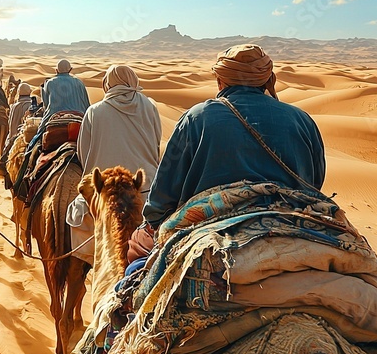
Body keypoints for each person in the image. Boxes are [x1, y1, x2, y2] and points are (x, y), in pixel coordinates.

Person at [131, 44, 324, 260]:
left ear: (220, 80)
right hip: (295, 226)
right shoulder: (302, 120)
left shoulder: (196, 119)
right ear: (266, 78)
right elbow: (315, 183)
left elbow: (163, 194)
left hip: (211, 234)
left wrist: (153, 221)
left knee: (133, 259)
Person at [76, 65, 162, 199]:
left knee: (73, 217)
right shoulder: (149, 106)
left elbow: (83, 152)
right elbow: (156, 141)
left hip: (105, 190)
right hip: (148, 186)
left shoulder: (94, 111)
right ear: (133, 79)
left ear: (107, 83)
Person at [16, 59, 90, 190]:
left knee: (32, 146)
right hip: (79, 124)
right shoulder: (79, 83)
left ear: (56, 71)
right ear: (70, 70)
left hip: (54, 121)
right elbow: (86, 105)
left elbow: (46, 106)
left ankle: (22, 182)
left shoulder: (49, 83)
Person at [0, 82, 33, 172]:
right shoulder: (32, 106)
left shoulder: (13, 106)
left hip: (13, 136)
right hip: (26, 137)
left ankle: (2, 164)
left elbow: (10, 122)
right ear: (29, 92)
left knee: (6, 148)